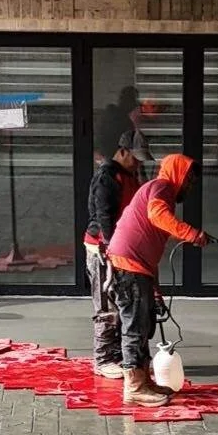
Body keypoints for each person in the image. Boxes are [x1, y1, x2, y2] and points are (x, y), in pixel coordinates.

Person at [106, 150, 209, 404]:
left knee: (141, 326)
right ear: (178, 174)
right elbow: (157, 215)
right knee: (134, 328)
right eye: (188, 179)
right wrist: (191, 233)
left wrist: (155, 291)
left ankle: (144, 381)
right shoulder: (161, 187)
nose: (190, 186)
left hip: (135, 266)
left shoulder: (159, 191)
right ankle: (134, 387)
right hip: (128, 266)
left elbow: (150, 248)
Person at [85, 140, 140, 380]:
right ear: (123, 151)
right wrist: (110, 246)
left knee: (119, 301)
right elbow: (103, 216)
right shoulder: (107, 177)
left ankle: (116, 354)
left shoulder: (127, 176)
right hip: (102, 247)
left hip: (118, 246)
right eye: (135, 158)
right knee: (105, 303)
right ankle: (103, 359)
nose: (138, 164)